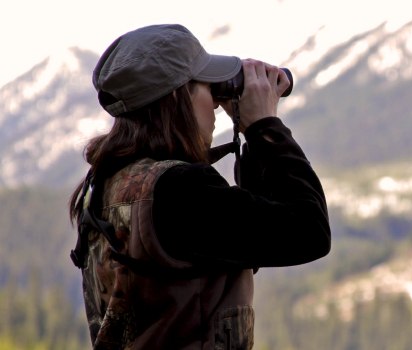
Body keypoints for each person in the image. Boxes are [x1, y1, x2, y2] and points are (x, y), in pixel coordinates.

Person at [68, 23, 331, 349]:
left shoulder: (107, 184)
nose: (218, 106)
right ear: (181, 99)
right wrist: (264, 126)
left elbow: (246, 235)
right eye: (208, 88)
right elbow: (308, 231)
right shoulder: (179, 191)